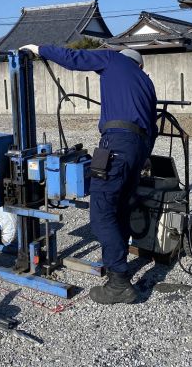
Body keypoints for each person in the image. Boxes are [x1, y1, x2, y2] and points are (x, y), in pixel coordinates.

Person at [19, 44, 157, 304]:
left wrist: (40, 49)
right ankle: (118, 262)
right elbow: (153, 127)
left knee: (102, 213)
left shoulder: (112, 59)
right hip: (138, 149)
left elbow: (74, 58)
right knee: (122, 207)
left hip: (116, 143)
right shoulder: (146, 84)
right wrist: (141, 156)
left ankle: (119, 282)